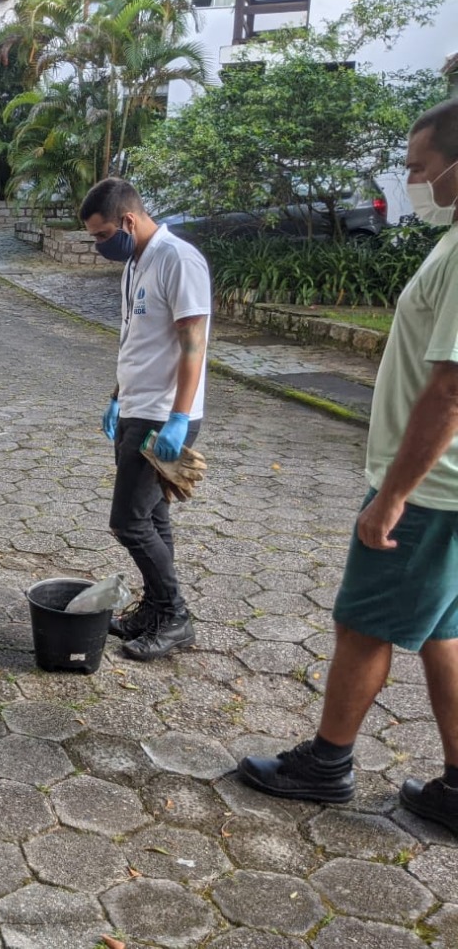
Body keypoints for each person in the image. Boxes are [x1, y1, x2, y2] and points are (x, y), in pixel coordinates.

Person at [238, 98, 458, 824]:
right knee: (442, 632)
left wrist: (391, 496)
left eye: (420, 169)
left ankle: (327, 763)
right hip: (445, 490)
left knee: (361, 624)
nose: (412, 181)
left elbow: (451, 389)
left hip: (429, 491)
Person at [81, 177, 211, 661]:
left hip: (162, 416)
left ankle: (175, 616)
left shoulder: (178, 259)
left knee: (129, 523)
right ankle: (155, 610)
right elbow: (138, 338)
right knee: (153, 518)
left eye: (101, 235)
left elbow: (192, 343)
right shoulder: (137, 262)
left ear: (128, 221)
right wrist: (117, 395)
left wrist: (179, 418)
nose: (99, 245)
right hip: (137, 407)